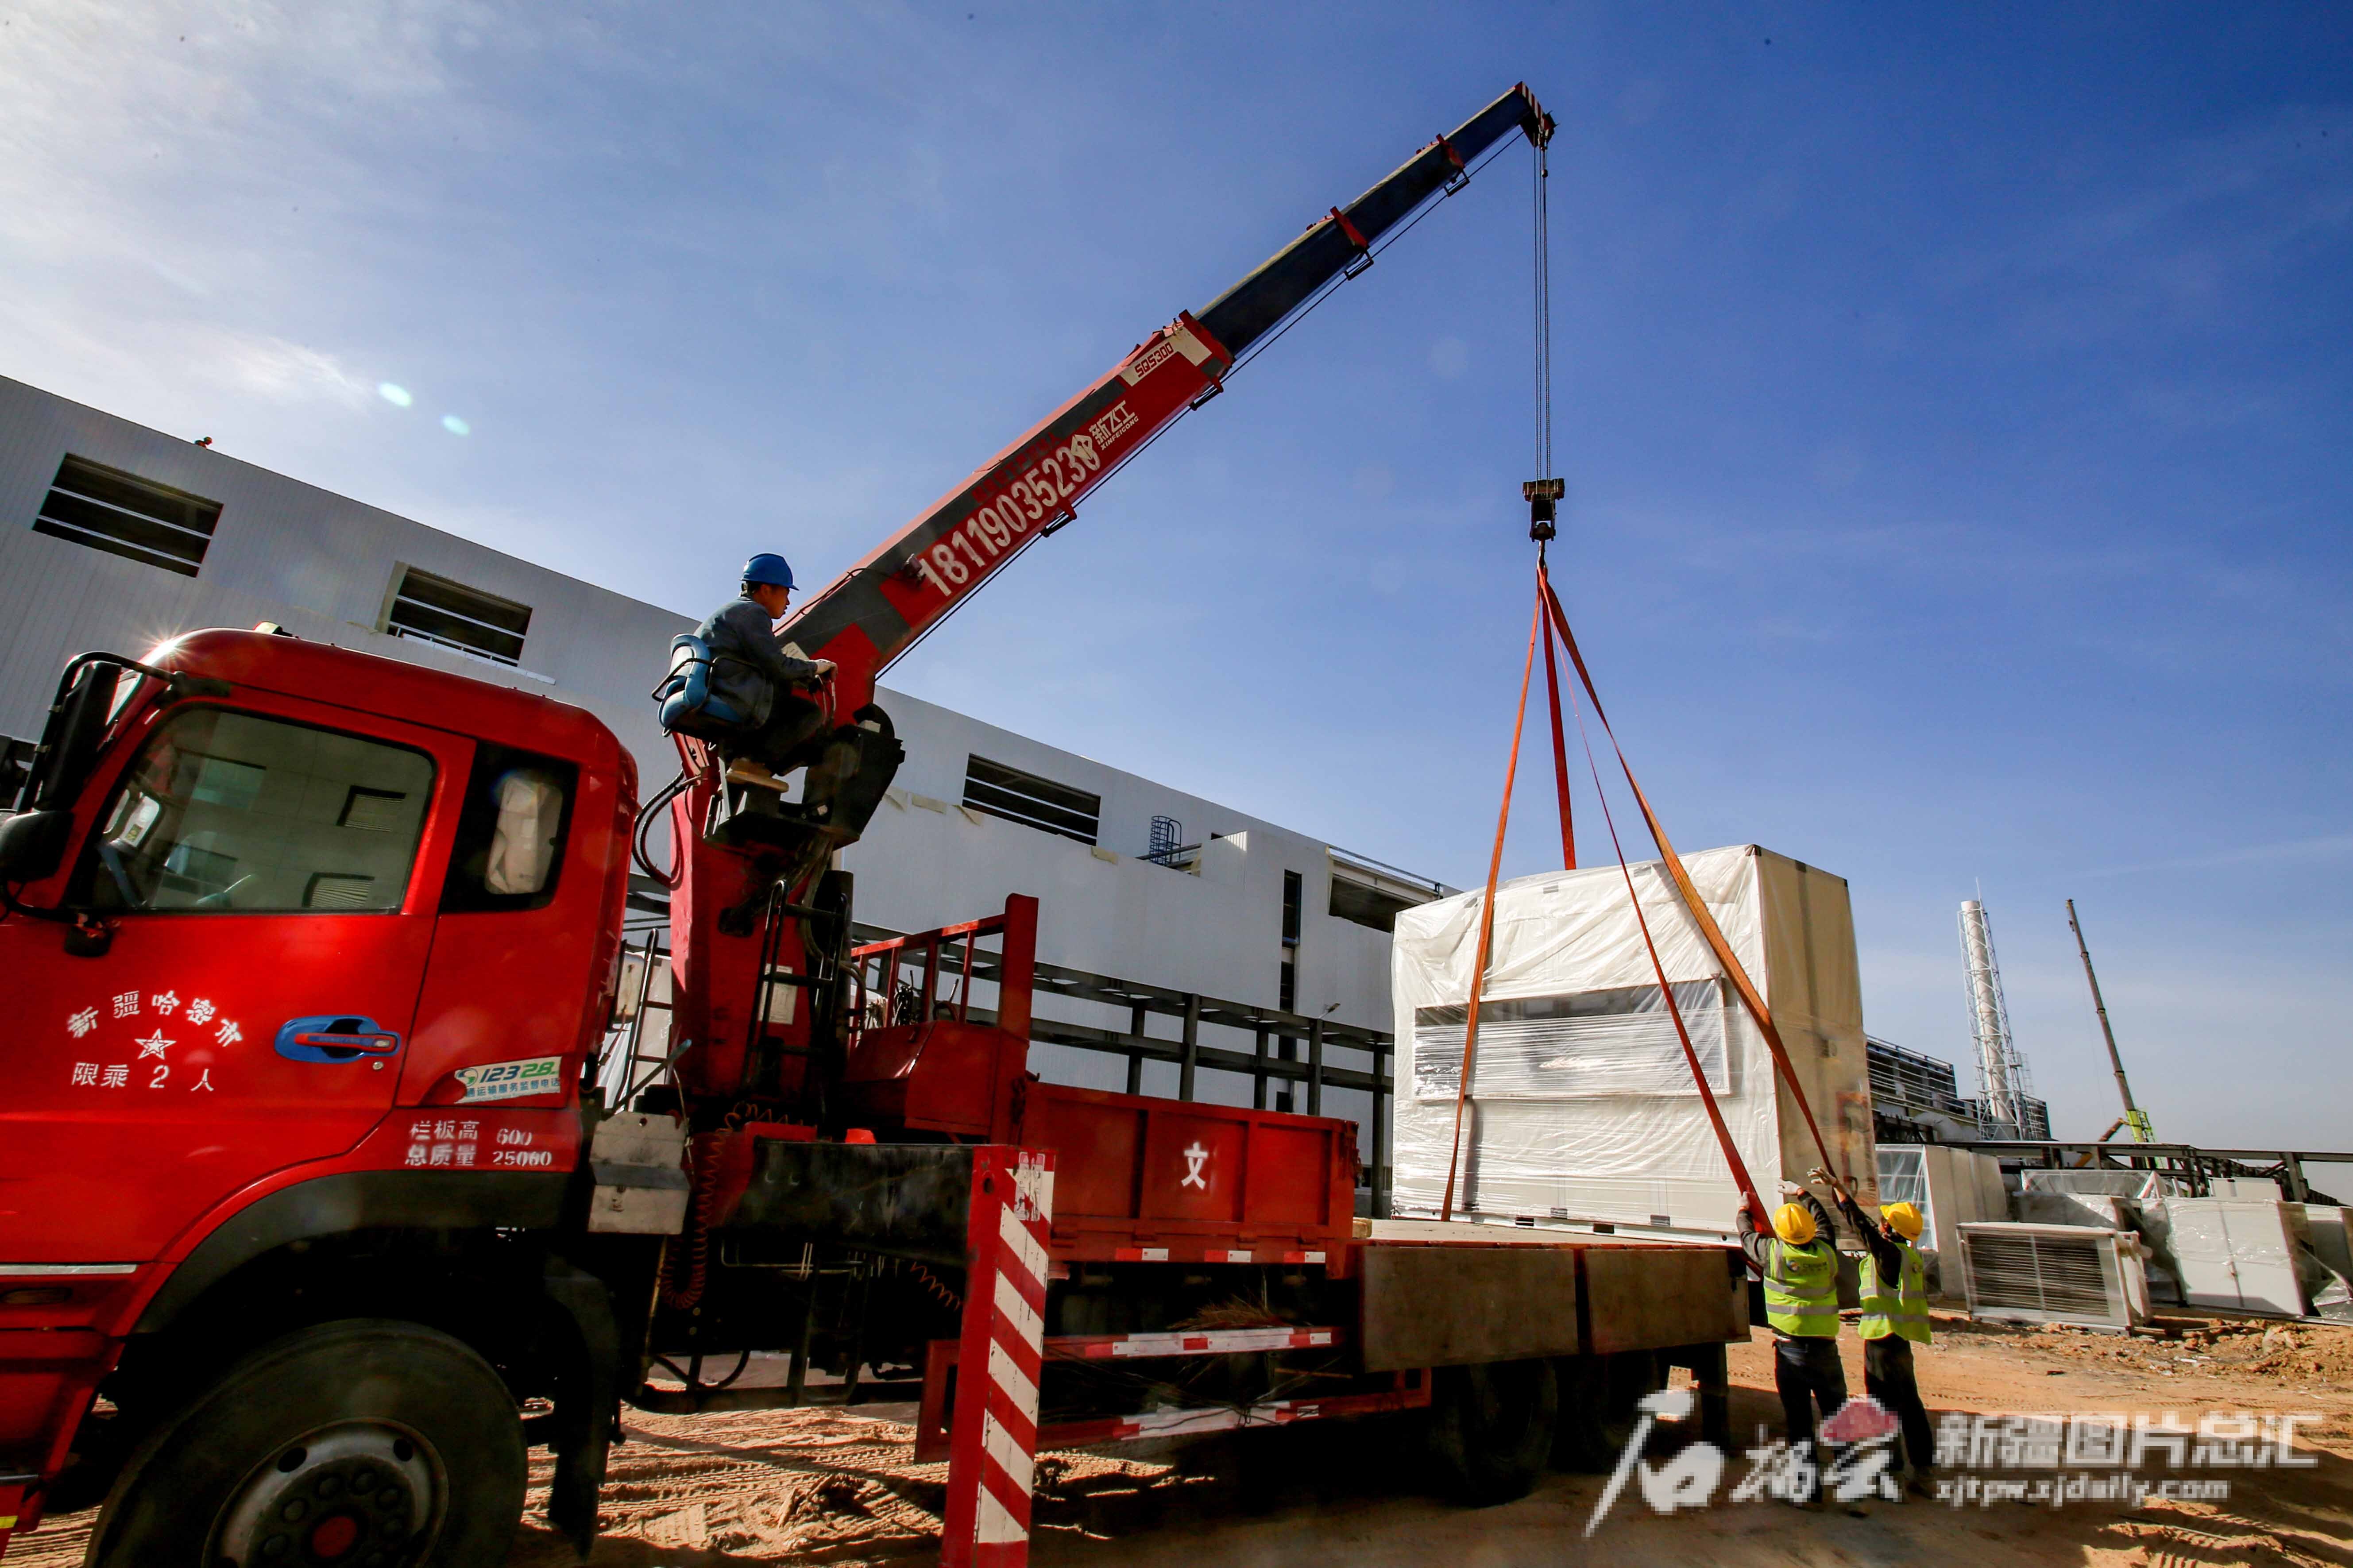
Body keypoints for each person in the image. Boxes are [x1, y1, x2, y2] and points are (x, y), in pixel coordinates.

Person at [1816, 1164, 1936, 1497]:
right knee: (1910, 1405)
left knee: (1882, 1409)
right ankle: (1924, 1473)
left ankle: (1891, 1476)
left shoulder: (1887, 1254)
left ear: (1890, 1229)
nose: (1880, 1224)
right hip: (1900, 1340)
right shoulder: (1908, 1257)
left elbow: (1861, 1226)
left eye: (1884, 1221)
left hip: (1882, 1340)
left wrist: (1840, 1190)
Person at [1736, 1179, 1847, 1506]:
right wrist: (1803, 1193)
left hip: (1791, 1353)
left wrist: (1743, 1208)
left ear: (1781, 1234)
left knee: (1800, 1425)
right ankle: (1853, 1492)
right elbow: (1826, 1225)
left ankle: (1808, 1492)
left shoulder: (1774, 1254)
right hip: (1827, 1351)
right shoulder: (1827, 1253)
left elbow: (1745, 1236)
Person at [694, 553, 838, 775]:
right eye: (786, 592)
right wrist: (817, 667)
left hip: (720, 686)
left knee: (781, 694)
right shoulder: (754, 613)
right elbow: (777, 665)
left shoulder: (734, 612)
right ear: (766, 590)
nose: (789, 601)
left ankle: (747, 760)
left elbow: (766, 664)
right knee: (808, 714)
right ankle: (751, 762)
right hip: (731, 693)